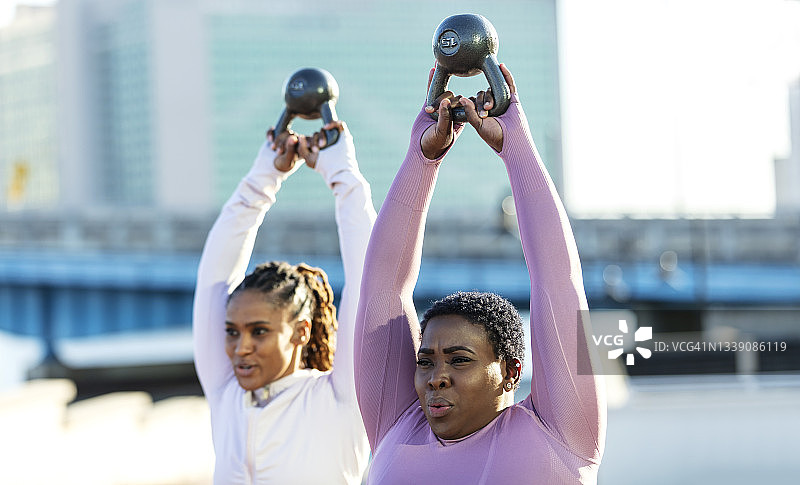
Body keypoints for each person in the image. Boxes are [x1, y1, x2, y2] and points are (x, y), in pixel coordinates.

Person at [353, 64, 607, 484]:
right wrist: (422, 156)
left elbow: (557, 280)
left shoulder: (563, 437)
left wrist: (517, 149)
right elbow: (383, 288)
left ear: (510, 371)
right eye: (426, 361)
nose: (437, 378)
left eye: (460, 360)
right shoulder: (396, 427)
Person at [193, 119, 376, 484]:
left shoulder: (342, 401)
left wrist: (341, 173)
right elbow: (213, 278)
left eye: (258, 331)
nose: (241, 348)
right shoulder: (226, 394)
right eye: (232, 332)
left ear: (300, 332)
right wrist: (265, 174)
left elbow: (369, 280)